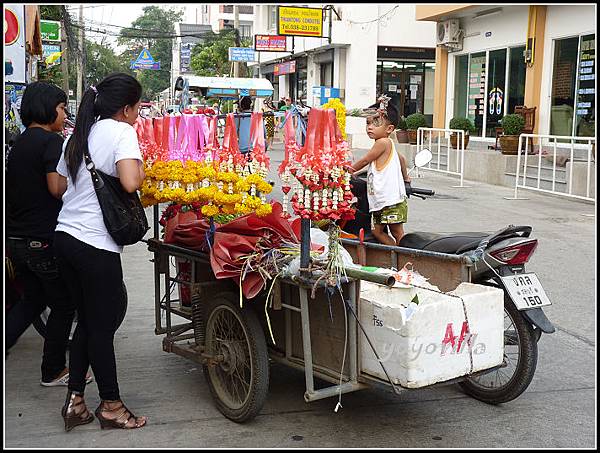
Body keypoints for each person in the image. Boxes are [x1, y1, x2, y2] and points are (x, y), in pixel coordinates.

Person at [53, 73, 147, 431]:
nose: (138, 115)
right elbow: (129, 181)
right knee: (102, 327)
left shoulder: (80, 134)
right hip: (94, 244)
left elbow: (60, 185)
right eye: (137, 108)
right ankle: (111, 405)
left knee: (89, 323)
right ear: (125, 109)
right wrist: (139, 165)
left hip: (65, 236)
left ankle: (76, 401)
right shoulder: (122, 132)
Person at [5, 81, 93, 387]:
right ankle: (53, 370)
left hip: (17, 240)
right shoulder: (50, 142)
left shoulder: (20, 143)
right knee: (63, 304)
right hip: (41, 240)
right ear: (46, 109)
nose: (64, 113)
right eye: (60, 107)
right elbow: (57, 188)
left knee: (31, 301)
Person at [350, 97, 408, 246]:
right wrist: (406, 178)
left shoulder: (383, 143)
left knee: (397, 232)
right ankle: (395, 253)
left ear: (389, 129)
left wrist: (347, 170)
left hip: (390, 201)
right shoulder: (389, 145)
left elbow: (365, 160)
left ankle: (405, 258)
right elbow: (401, 159)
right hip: (381, 202)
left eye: (376, 123)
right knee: (376, 231)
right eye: (368, 123)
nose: (370, 127)